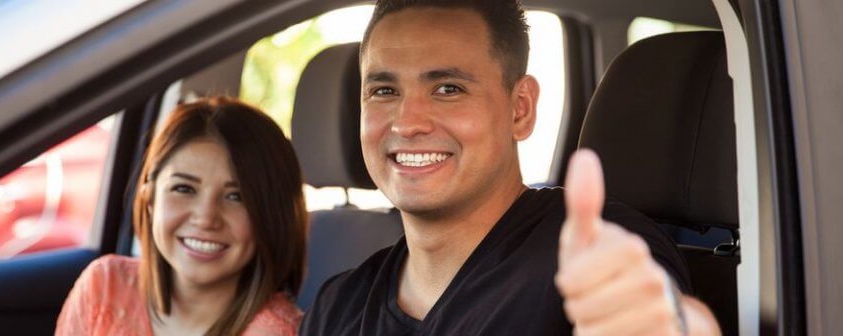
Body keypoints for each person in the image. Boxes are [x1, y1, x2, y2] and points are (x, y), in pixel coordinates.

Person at [300, 0, 721, 335]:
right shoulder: (339, 304)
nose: (407, 122)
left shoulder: (596, 257)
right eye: (384, 90)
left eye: (448, 89)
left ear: (520, 109)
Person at [57, 96, 307, 335]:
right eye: (184, 189)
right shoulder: (104, 285)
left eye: (236, 196)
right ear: (150, 198)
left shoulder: (277, 331)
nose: (206, 218)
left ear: (271, 216)